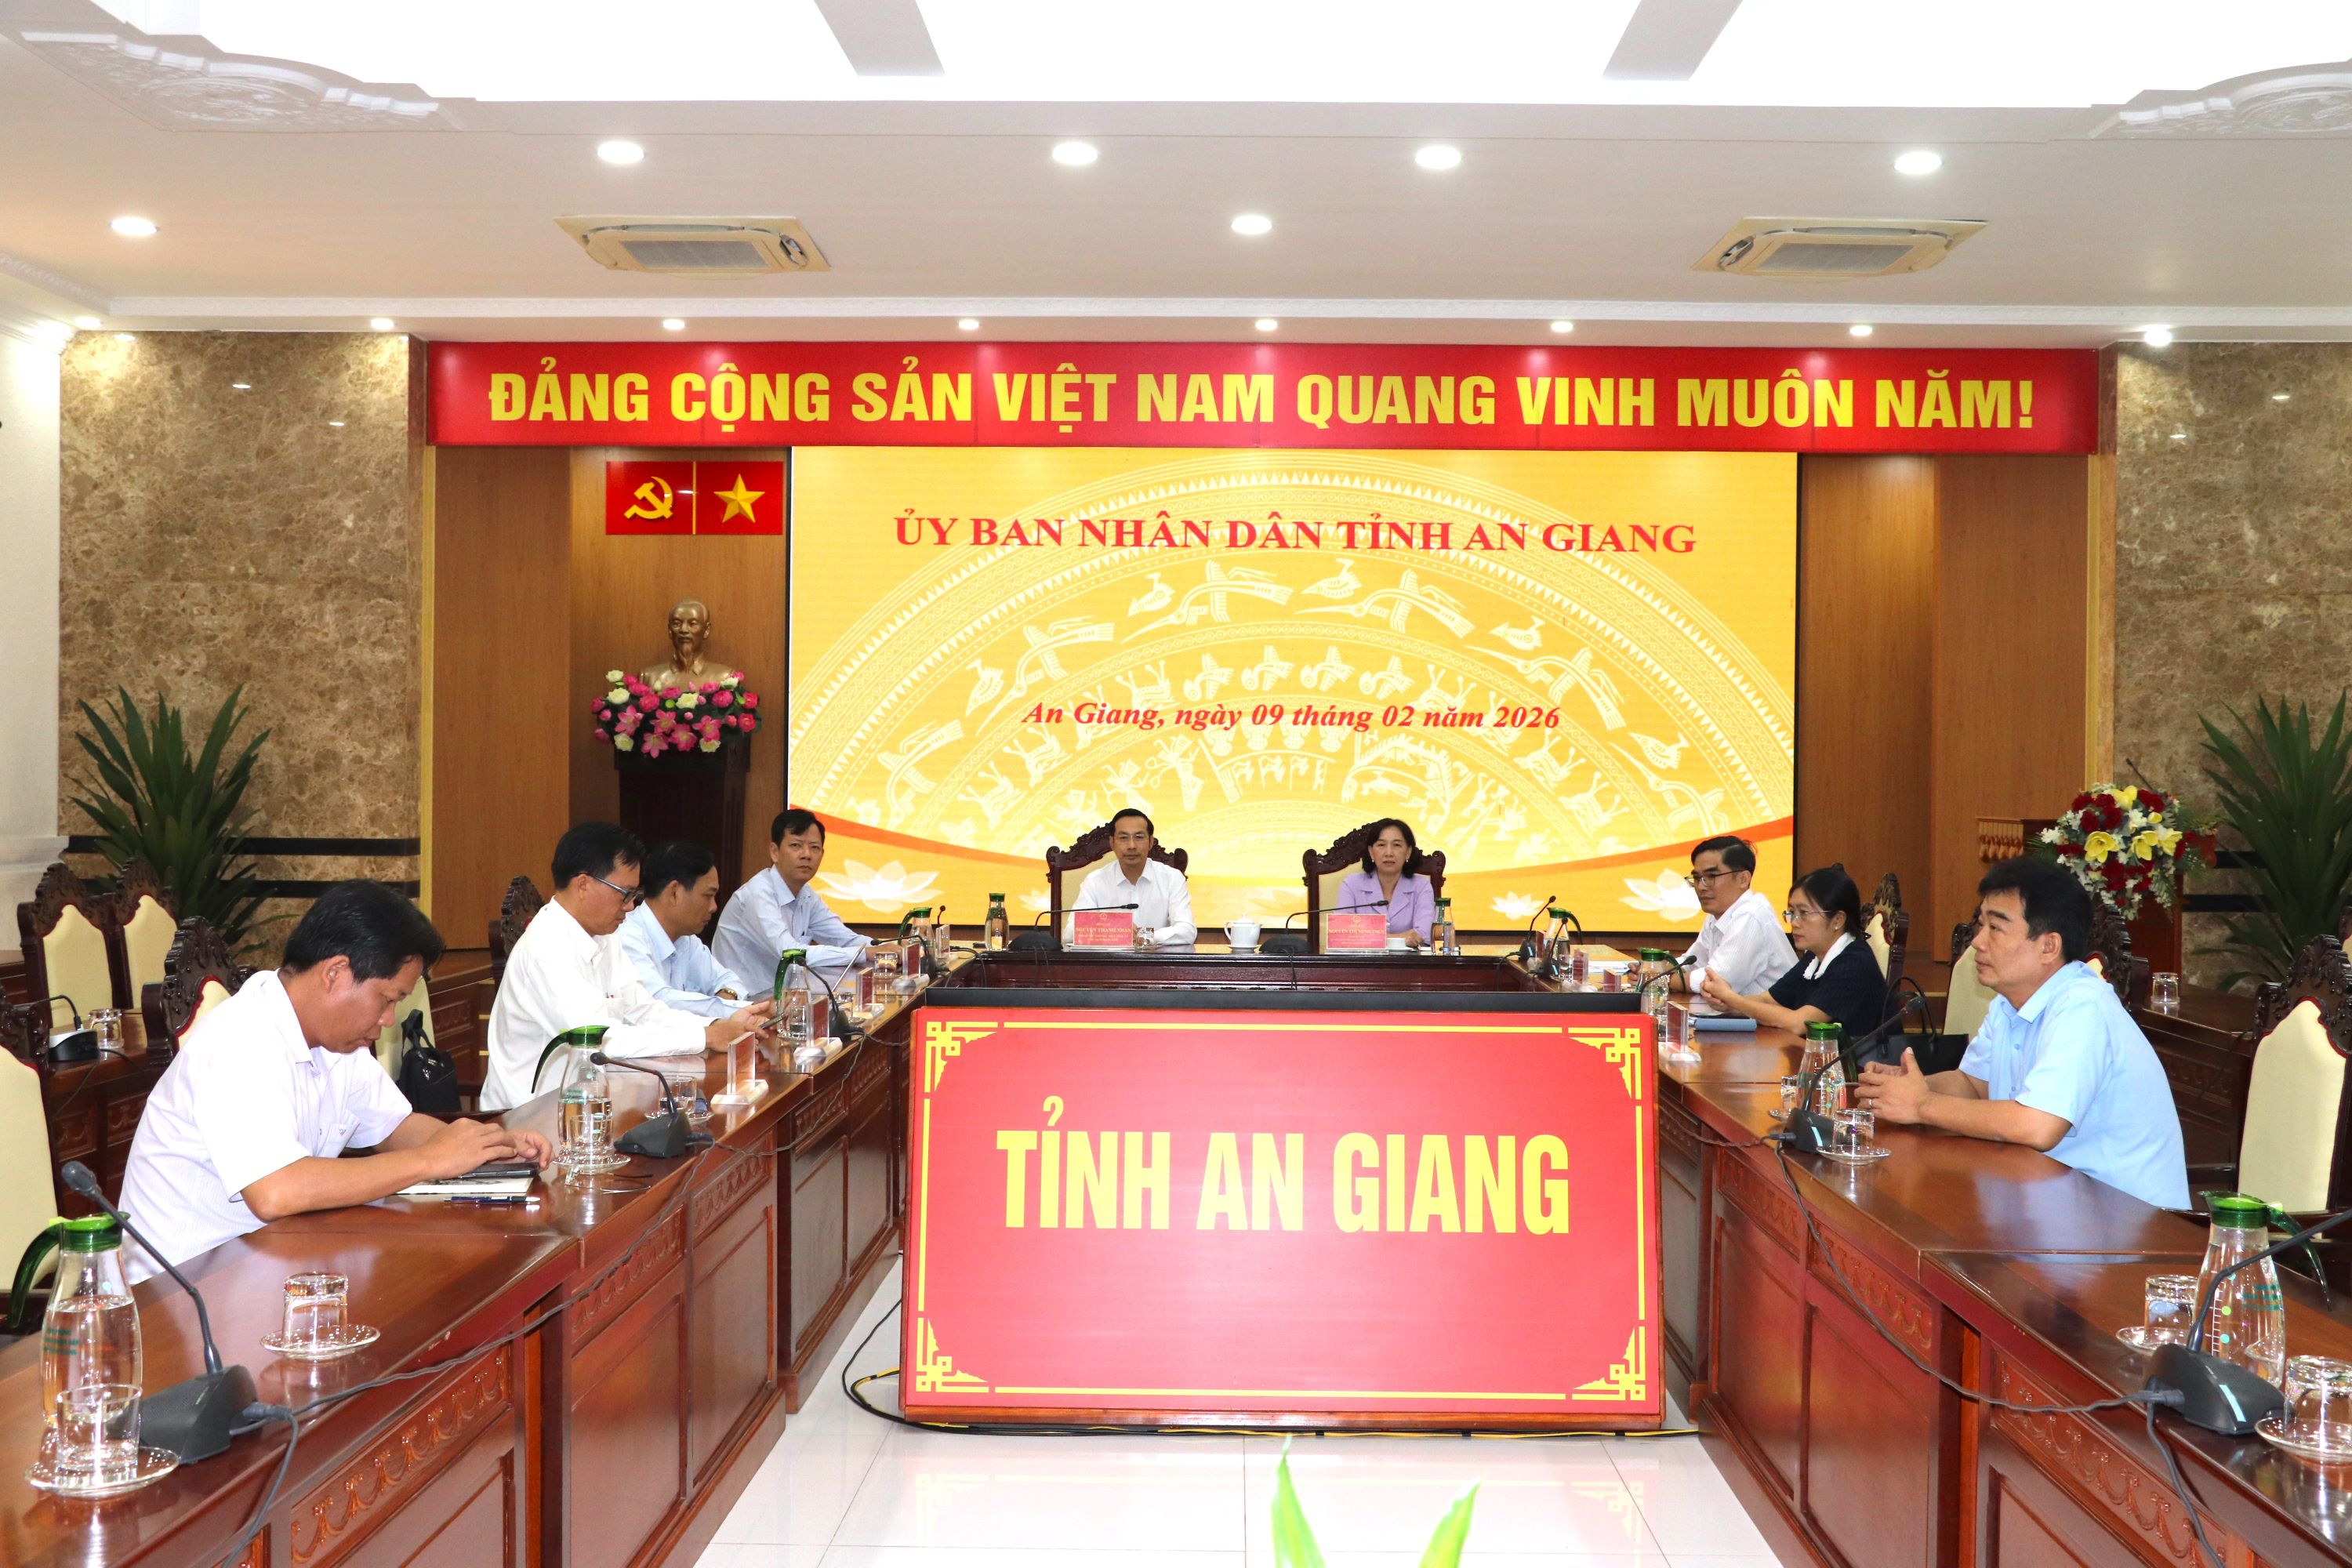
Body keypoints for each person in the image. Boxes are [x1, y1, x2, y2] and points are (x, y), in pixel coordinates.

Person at [116, 881, 554, 1282]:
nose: (388, 1020)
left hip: (272, 1256)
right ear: (335, 974)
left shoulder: (336, 1041)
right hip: (183, 1289)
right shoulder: (241, 1039)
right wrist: (429, 1162)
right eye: (387, 999)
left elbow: (395, 1128)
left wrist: (489, 1149)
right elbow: (276, 1191)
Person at [1855, 858, 2188, 1209]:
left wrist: (1922, 1105)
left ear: (2049, 946)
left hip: (2127, 1218)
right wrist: (1908, 1086)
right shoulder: (2008, 1002)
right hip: (2049, 1193)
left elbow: (2038, 1126)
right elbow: (1973, 1085)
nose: (1977, 942)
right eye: (1981, 925)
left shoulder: (2084, 1007)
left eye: (1996, 928)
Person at [483, 822, 771, 1111]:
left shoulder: (604, 937)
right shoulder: (545, 947)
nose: (631, 906)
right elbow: (601, 1042)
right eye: (625, 893)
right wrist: (704, 1036)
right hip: (529, 1115)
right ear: (583, 885)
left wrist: (716, 1026)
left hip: (588, 1102)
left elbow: (644, 1011)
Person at [1699, 865, 1887, 1044]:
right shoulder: (1814, 956)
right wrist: (1728, 1004)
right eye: (1791, 913)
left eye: (1804, 913)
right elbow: (1769, 1000)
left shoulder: (1854, 962)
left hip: (1857, 1064)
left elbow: (1799, 1023)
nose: (1794, 923)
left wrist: (1732, 999)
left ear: (1838, 920)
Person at [712, 808, 872, 994]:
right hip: (741, 1001)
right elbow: (789, 953)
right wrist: (863, 953)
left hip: (782, 998)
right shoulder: (758, 893)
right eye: (796, 845)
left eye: (814, 847)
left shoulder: (806, 895)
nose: (806, 854)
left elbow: (845, 939)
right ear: (775, 852)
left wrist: (886, 949)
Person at [616, 840, 749, 1019]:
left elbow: (729, 980)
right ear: (674, 892)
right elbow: (657, 1001)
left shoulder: (687, 939)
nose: (714, 907)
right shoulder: (627, 937)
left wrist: (727, 996)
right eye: (708, 896)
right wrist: (729, 1009)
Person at [1675, 835, 1795, 997]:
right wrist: (1654, 968)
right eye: (1697, 878)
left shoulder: (1751, 915)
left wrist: (1660, 979)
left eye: (1711, 877)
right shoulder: (1717, 915)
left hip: (1776, 1013)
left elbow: (1715, 981)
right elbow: (1691, 963)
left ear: (1743, 879)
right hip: (1743, 1012)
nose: (1701, 887)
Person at [1067, 807, 1195, 949]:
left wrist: (1144, 936)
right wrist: (1115, 929)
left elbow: (1187, 931)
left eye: (1139, 837)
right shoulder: (1095, 881)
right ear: (1112, 843)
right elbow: (1070, 933)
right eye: (1123, 838)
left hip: (1156, 960)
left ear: (1151, 842)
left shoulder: (1172, 878)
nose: (1132, 846)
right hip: (1109, 961)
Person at [1333, 818, 1436, 946]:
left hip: (1409, 958)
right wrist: (1401, 938)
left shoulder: (1421, 886)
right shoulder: (1351, 884)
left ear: (1408, 852)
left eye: (1397, 845)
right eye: (1381, 845)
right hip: (1362, 958)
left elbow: (1424, 935)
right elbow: (1342, 934)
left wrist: (1367, 938)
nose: (1389, 853)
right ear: (1371, 852)